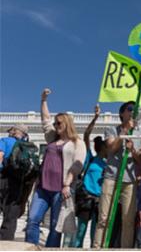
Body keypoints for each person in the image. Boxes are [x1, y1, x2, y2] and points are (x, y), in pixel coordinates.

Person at [25, 88, 86, 247]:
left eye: (59, 123)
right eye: (55, 123)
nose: (55, 125)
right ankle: (29, 248)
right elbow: (45, 120)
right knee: (32, 220)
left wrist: (67, 184)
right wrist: (43, 100)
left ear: (67, 124)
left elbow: (77, 164)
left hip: (61, 190)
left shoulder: (77, 143)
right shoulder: (52, 138)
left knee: (54, 227)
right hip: (42, 187)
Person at [93, 101, 141, 248]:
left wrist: (132, 149)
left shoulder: (140, 133)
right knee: (104, 217)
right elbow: (110, 150)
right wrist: (123, 134)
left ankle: (125, 248)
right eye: (130, 109)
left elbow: (140, 160)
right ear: (122, 113)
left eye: (136, 109)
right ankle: (98, 247)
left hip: (130, 179)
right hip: (111, 177)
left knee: (128, 219)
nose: (133, 111)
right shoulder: (111, 130)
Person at [66, 104, 106, 247]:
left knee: (96, 232)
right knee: (81, 230)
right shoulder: (91, 158)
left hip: (100, 200)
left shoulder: (109, 164)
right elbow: (86, 135)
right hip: (87, 198)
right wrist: (95, 118)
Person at [0, 124, 30, 240]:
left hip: (3, 177)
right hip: (18, 182)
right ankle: (6, 242)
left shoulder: (5, 140)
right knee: (11, 216)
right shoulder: (26, 146)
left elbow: (0, 156)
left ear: (13, 131)